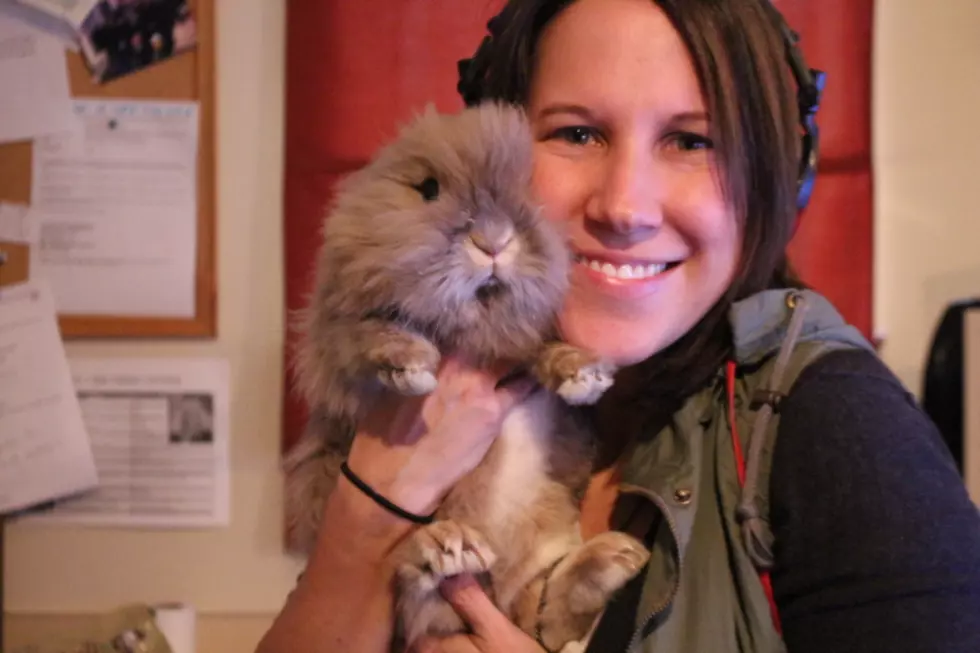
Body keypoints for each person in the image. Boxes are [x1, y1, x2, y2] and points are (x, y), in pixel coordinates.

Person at [257, 0, 980, 651]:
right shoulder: (434, 374)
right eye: (577, 133)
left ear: (777, 179)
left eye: (691, 141)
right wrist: (368, 510)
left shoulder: (848, 432)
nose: (625, 206)